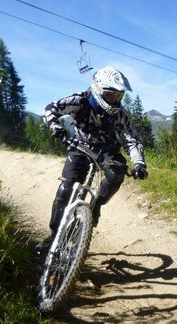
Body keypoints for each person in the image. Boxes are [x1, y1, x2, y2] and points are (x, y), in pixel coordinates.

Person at [43, 66, 148, 242]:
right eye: (110, 95)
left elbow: (132, 139)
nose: (114, 100)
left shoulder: (120, 114)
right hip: (79, 147)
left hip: (107, 150)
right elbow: (51, 108)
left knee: (116, 174)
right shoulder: (80, 100)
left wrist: (140, 164)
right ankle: (53, 236)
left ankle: (96, 205)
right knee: (65, 190)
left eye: (118, 96)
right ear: (98, 88)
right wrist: (55, 127)